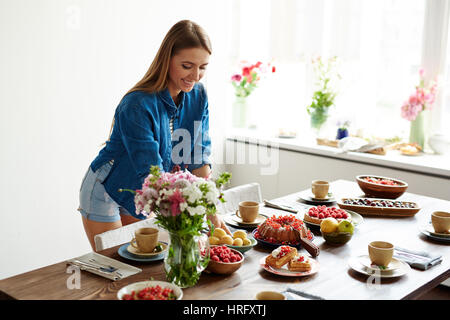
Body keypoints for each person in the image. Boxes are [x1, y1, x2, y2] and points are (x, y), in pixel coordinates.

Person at [78, 20, 231, 251]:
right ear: (167, 59)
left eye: (203, 67)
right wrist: (186, 219)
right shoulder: (137, 104)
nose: (196, 76)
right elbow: (152, 172)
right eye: (187, 65)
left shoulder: (198, 96)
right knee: (117, 269)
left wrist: (211, 209)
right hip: (107, 188)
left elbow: (199, 155)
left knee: (145, 266)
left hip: (145, 192)